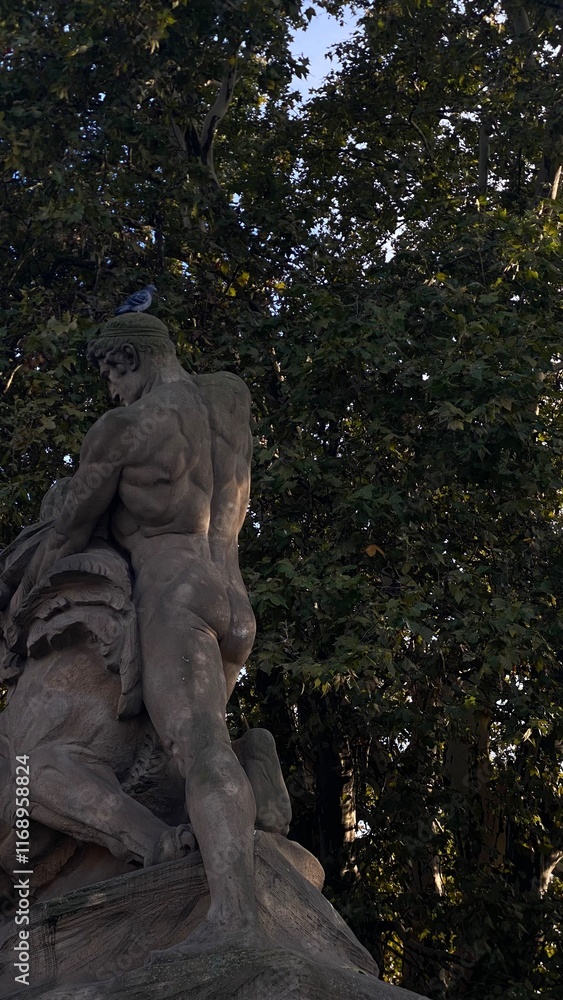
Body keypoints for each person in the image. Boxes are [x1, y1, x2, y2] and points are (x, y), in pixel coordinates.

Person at [13, 311, 260, 949]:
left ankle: (235, 920)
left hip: (172, 597)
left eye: (111, 377)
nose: (112, 392)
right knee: (188, 753)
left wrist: (17, 610)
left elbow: (67, 532)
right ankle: (256, 781)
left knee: (198, 746)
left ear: (129, 359)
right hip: (232, 603)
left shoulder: (121, 430)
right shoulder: (229, 397)